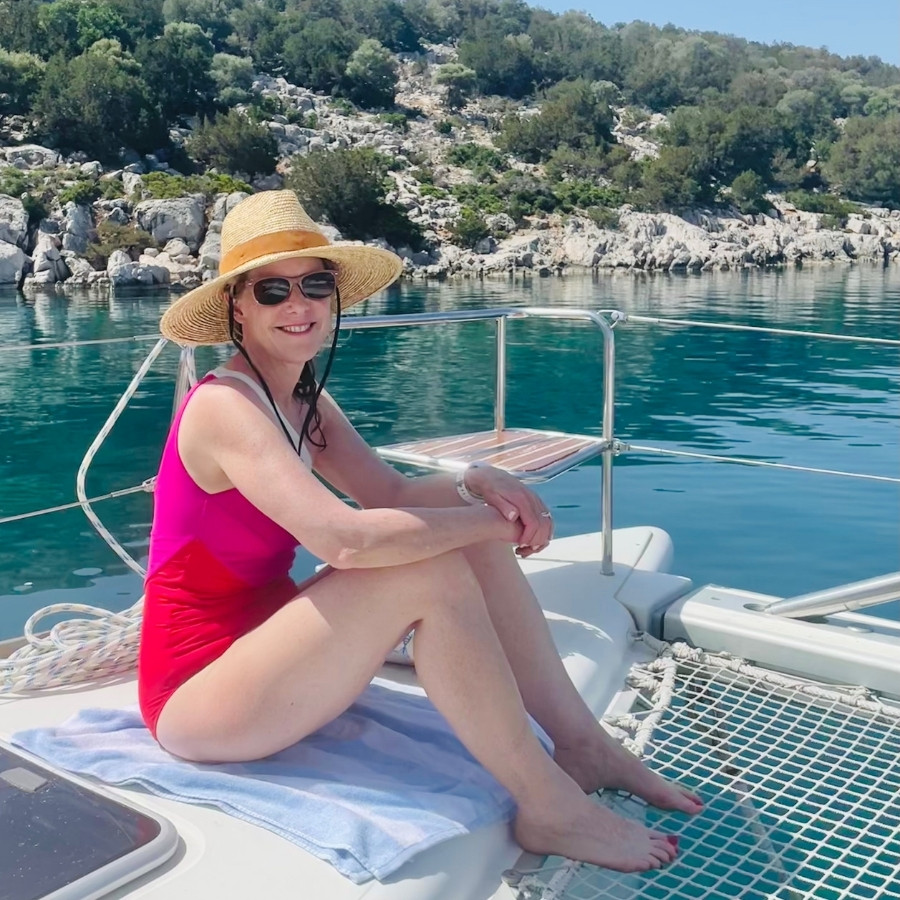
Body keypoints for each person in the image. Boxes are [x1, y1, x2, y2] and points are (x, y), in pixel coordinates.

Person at [138, 190, 701, 875]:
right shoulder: (226, 406)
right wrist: (487, 524)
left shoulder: (304, 401)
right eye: (273, 290)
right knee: (431, 565)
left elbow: (394, 494)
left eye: (315, 284)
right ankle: (547, 802)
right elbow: (343, 540)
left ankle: (581, 743)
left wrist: (476, 482)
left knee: (450, 535)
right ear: (237, 308)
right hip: (198, 697)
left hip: (266, 649)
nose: (299, 304)